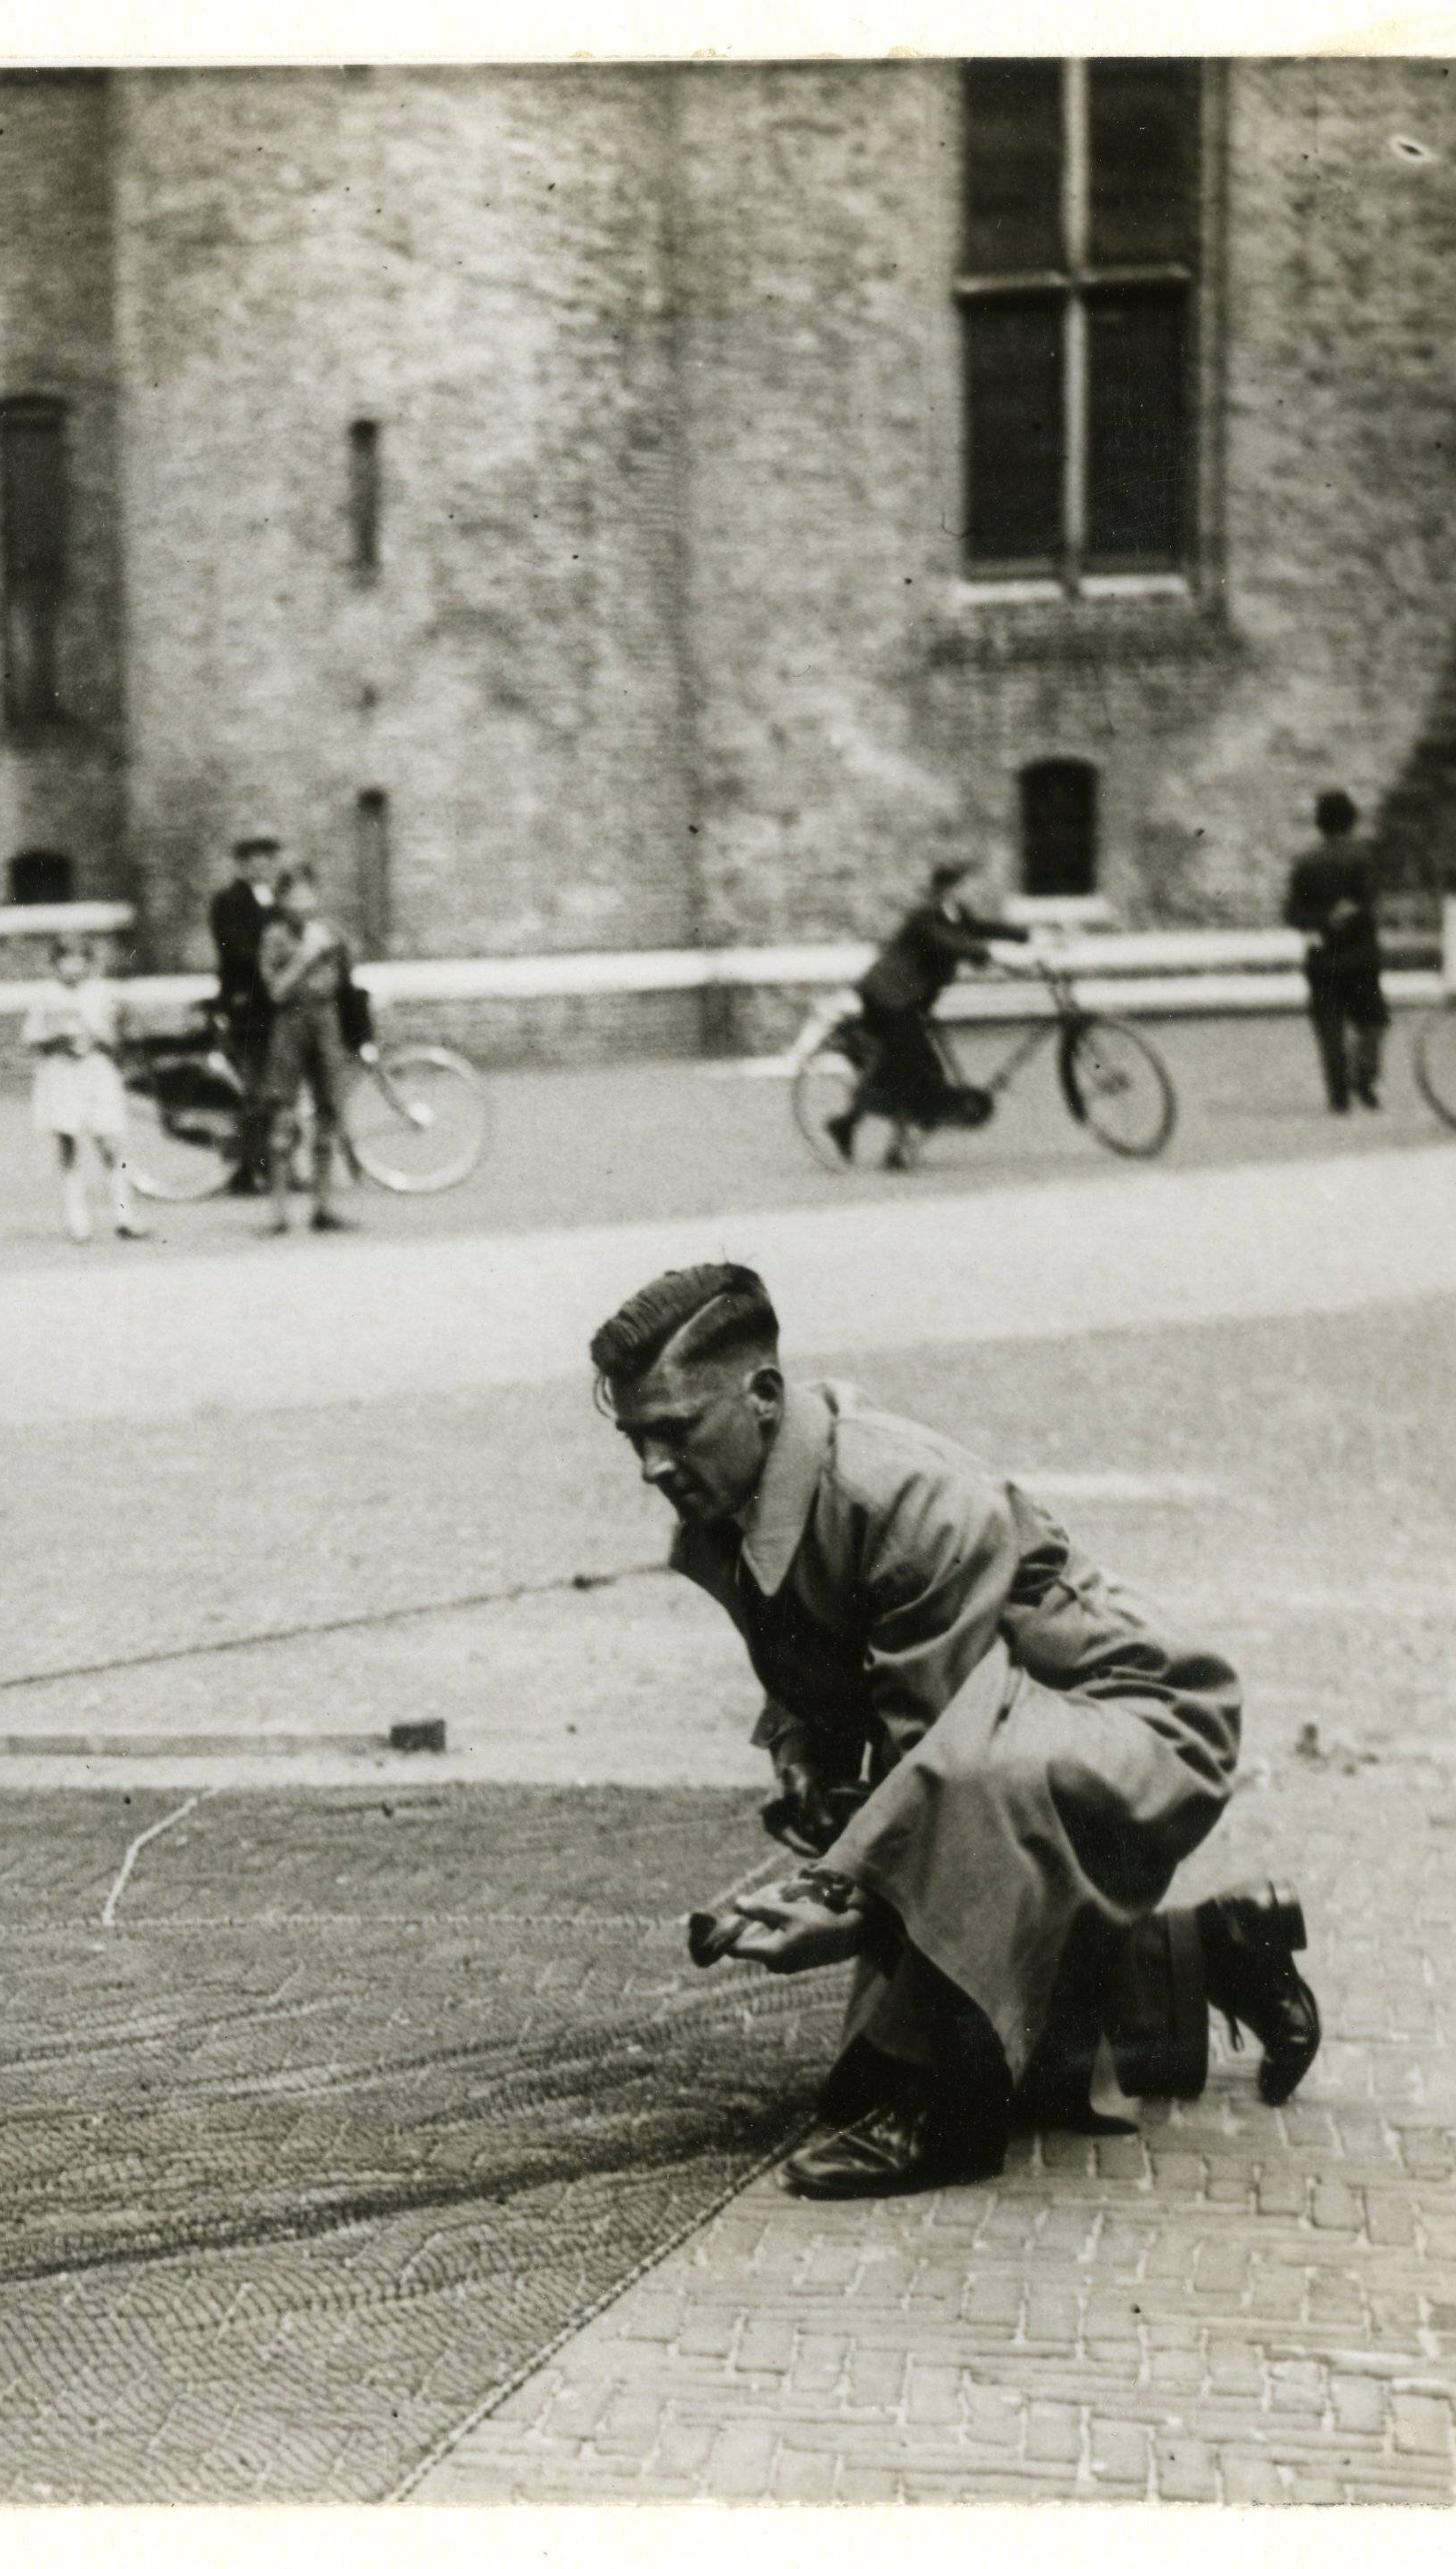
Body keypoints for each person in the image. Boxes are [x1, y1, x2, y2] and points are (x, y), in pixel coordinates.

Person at [590, 1262, 1322, 2200]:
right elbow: (815, 1660)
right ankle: (1215, 1951)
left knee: (949, 1899)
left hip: (1139, 1722)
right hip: (1001, 1731)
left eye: (675, 1429)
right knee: (890, 2026)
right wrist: (803, 1754)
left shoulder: (905, 1491)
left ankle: (948, 2114)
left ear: (764, 1394)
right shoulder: (733, 1502)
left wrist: (840, 1898)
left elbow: (940, 1746)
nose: (652, 1465)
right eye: (635, 1437)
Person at [832, 854, 1033, 1165]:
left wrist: (1025, 936)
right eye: (962, 885)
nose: (968, 892)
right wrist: (988, 953)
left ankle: (851, 1123)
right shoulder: (925, 916)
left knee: (911, 1065)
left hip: (910, 1000)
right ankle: (893, 1149)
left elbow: (980, 928)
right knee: (912, 1066)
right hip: (887, 997)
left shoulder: (955, 914)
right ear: (946, 888)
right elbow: (950, 943)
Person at [22, 934, 147, 1244]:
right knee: (68, 1145)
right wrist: (57, 1040)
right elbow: (32, 1038)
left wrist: (99, 1037)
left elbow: (117, 1038)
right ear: (55, 965)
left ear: (89, 964)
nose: (73, 967)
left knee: (109, 1143)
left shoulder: (101, 993)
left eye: (80, 960)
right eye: (66, 960)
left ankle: (124, 1215)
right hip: (62, 1075)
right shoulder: (46, 996)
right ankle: (78, 1219)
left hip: (95, 1071)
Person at [257, 863, 358, 1237]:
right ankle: (279, 1212)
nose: (303, 904)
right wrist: (305, 956)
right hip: (290, 1025)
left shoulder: (330, 932)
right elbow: (276, 991)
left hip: (326, 1023)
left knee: (328, 1113)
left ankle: (323, 1207)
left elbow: (345, 980)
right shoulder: (275, 936)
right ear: (282, 902)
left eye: (308, 896)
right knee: (283, 1116)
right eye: (294, 897)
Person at [1282, 790, 1387, 1114]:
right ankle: (1364, 1077)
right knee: (1372, 1022)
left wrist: (1319, 921)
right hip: (1360, 957)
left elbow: (1291, 914)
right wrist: (1344, 915)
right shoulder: (1362, 857)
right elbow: (1368, 902)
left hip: (1321, 957)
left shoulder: (1305, 862)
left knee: (1329, 1027)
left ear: (1319, 823)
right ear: (1352, 820)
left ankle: (1338, 1095)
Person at [206, 838, 281, 1194]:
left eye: (268, 859)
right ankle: (249, 1169)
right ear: (241, 864)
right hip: (247, 1005)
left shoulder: (278, 899)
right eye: (254, 860)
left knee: (276, 1087)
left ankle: (275, 1163)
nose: (262, 866)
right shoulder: (228, 902)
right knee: (253, 1087)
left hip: (277, 1004)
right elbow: (236, 952)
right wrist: (277, 966)